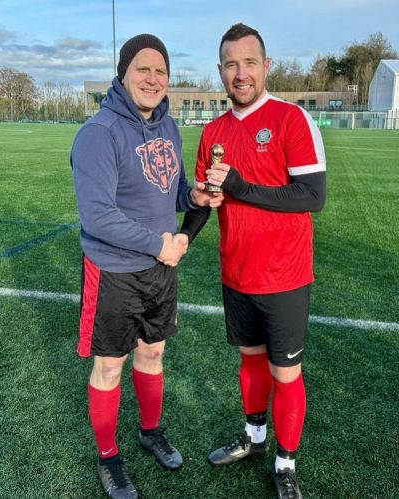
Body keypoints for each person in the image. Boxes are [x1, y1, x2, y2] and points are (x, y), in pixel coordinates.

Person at [70, 34, 222, 499]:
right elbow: (97, 215)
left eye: (160, 71)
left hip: (160, 269)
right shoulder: (99, 133)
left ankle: (150, 430)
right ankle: (108, 458)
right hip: (114, 270)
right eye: (143, 69)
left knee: (153, 353)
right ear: (123, 74)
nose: (152, 79)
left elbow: (169, 190)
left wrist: (193, 196)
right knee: (110, 366)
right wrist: (158, 245)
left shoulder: (169, 127)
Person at [189, 23, 326, 499]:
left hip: (285, 276)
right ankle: (254, 436)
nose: (240, 73)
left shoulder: (291, 120)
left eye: (249, 62)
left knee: (286, 372)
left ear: (266, 67)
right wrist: (187, 230)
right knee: (250, 361)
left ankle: (286, 463)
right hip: (236, 272)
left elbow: (312, 196)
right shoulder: (214, 132)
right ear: (220, 71)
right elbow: (207, 197)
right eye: (231, 64)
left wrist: (242, 188)